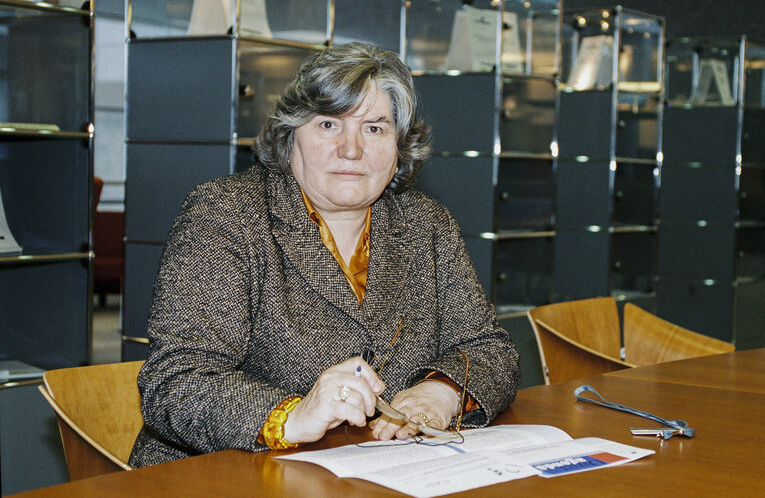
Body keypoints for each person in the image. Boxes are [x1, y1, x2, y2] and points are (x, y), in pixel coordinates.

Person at [129, 42, 520, 467]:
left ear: (399, 148)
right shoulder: (226, 215)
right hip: (225, 475)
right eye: (329, 125)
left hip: (387, 471)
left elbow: (489, 348)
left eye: (374, 128)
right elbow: (176, 381)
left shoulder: (427, 222)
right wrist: (293, 415)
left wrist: (441, 391)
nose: (351, 150)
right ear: (290, 135)